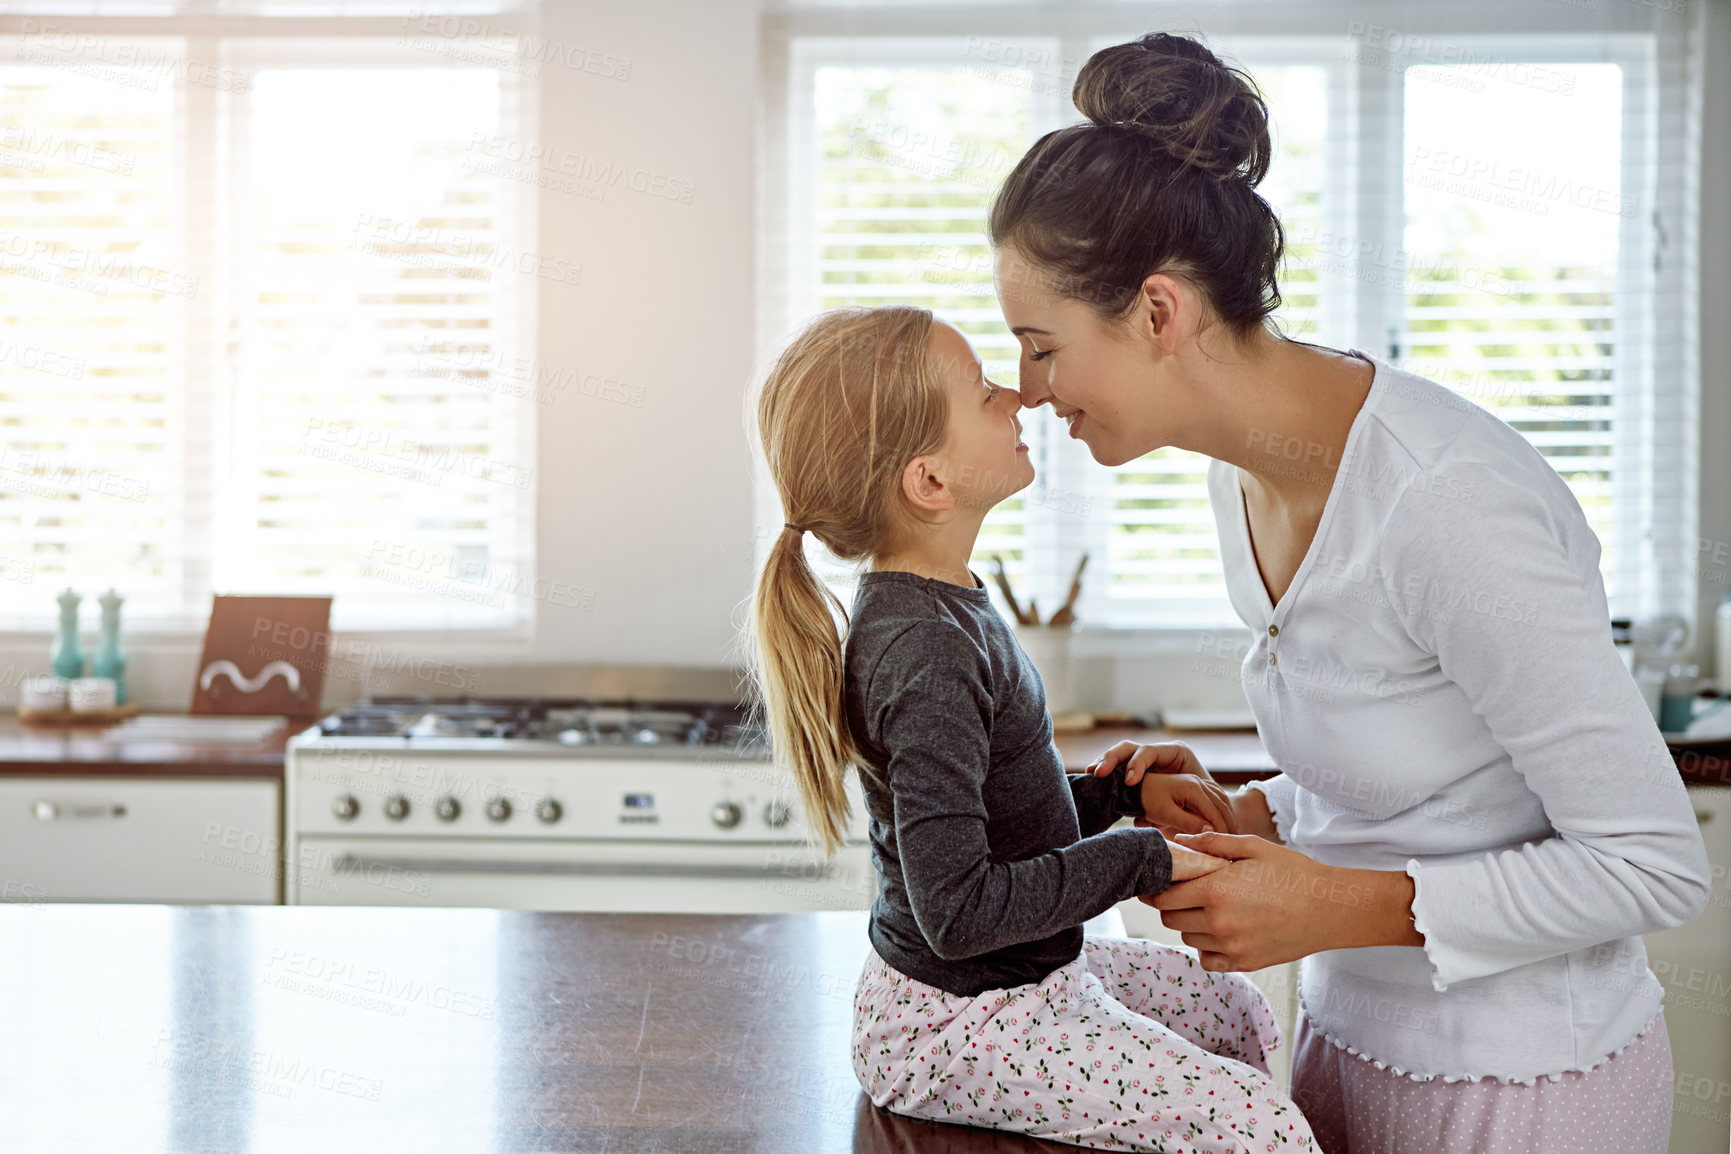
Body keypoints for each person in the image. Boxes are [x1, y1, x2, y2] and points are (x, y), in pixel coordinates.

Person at [987, 30, 1714, 1153]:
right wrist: (1256, 812)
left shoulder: (1446, 505)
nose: (1029, 391)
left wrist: (1331, 905)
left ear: (1159, 312)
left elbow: (1651, 860)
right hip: (1344, 1042)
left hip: (1521, 1087)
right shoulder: (1246, 477)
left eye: (1041, 346)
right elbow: (1428, 768)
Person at [743, 303, 1319, 1151]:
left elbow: (997, 819)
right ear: (928, 481)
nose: (1015, 395)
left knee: (1226, 1009)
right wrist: (1139, 859)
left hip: (1029, 980)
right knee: (1258, 1126)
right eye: (982, 392)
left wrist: (1109, 797)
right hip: (952, 1025)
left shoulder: (948, 608)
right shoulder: (924, 652)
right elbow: (956, 911)